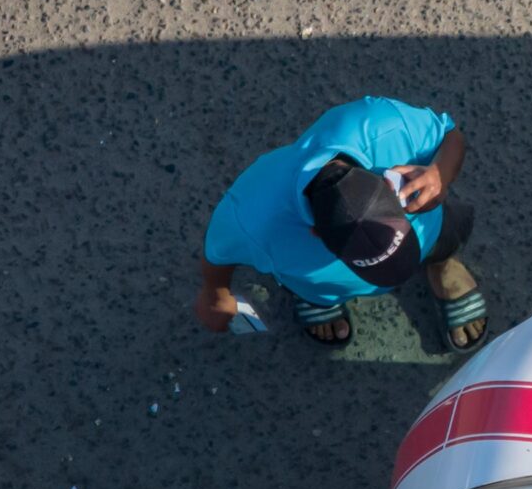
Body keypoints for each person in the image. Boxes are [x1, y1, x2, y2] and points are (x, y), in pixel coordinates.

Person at [194, 96, 487, 350]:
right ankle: (321, 300)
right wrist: (214, 293)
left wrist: (440, 172)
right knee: (315, 288)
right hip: (322, 281)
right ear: (316, 234)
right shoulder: (251, 218)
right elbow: (217, 253)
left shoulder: (385, 125)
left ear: (390, 184)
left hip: (430, 234)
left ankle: (441, 262)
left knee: (444, 239)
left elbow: (449, 133)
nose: (401, 279)